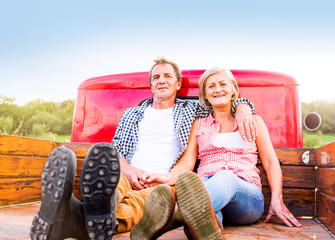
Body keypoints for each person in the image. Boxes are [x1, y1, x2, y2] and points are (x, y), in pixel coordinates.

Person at [30, 58, 257, 240]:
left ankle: (70, 216)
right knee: (114, 186)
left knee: (144, 204)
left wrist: (243, 106)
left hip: (164, 181)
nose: (162, 80)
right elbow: (115, 151)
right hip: (128, 173)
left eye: (168, 76)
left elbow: (220, 99)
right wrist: (129, 171)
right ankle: (95, 211)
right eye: (156, 77)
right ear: (150, 85)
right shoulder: (132, 113)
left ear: (178, 84)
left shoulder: (192, 109)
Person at [131, 67, 301, 240]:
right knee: (207, 220)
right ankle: (205, 229)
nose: (218, 89)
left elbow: (271, 162)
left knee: (225, 177)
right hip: (210, 193)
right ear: (205, 95)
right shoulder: (199, 124)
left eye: (222, 84)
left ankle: (173, 217)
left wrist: (277, 200)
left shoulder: (253, 121)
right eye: (211, 86)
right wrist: (168, 178)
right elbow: (187, 162)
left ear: (233, 88)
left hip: (246, 198)